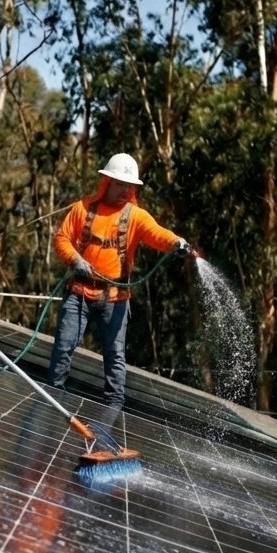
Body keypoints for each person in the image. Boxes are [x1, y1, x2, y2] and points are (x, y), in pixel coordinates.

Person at [48, 153, 192, 408]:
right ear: (106, 182)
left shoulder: (135, 216)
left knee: (114, 356)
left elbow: (158, 234)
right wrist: (75, 260)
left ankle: (114, 408)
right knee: (64, 345)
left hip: (115, 298)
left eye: (129, 185)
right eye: (119, 184)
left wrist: (176, 242)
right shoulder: (83, 208)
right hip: (79, 291)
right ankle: (53, 398)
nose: (124, 190)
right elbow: (62, 238)